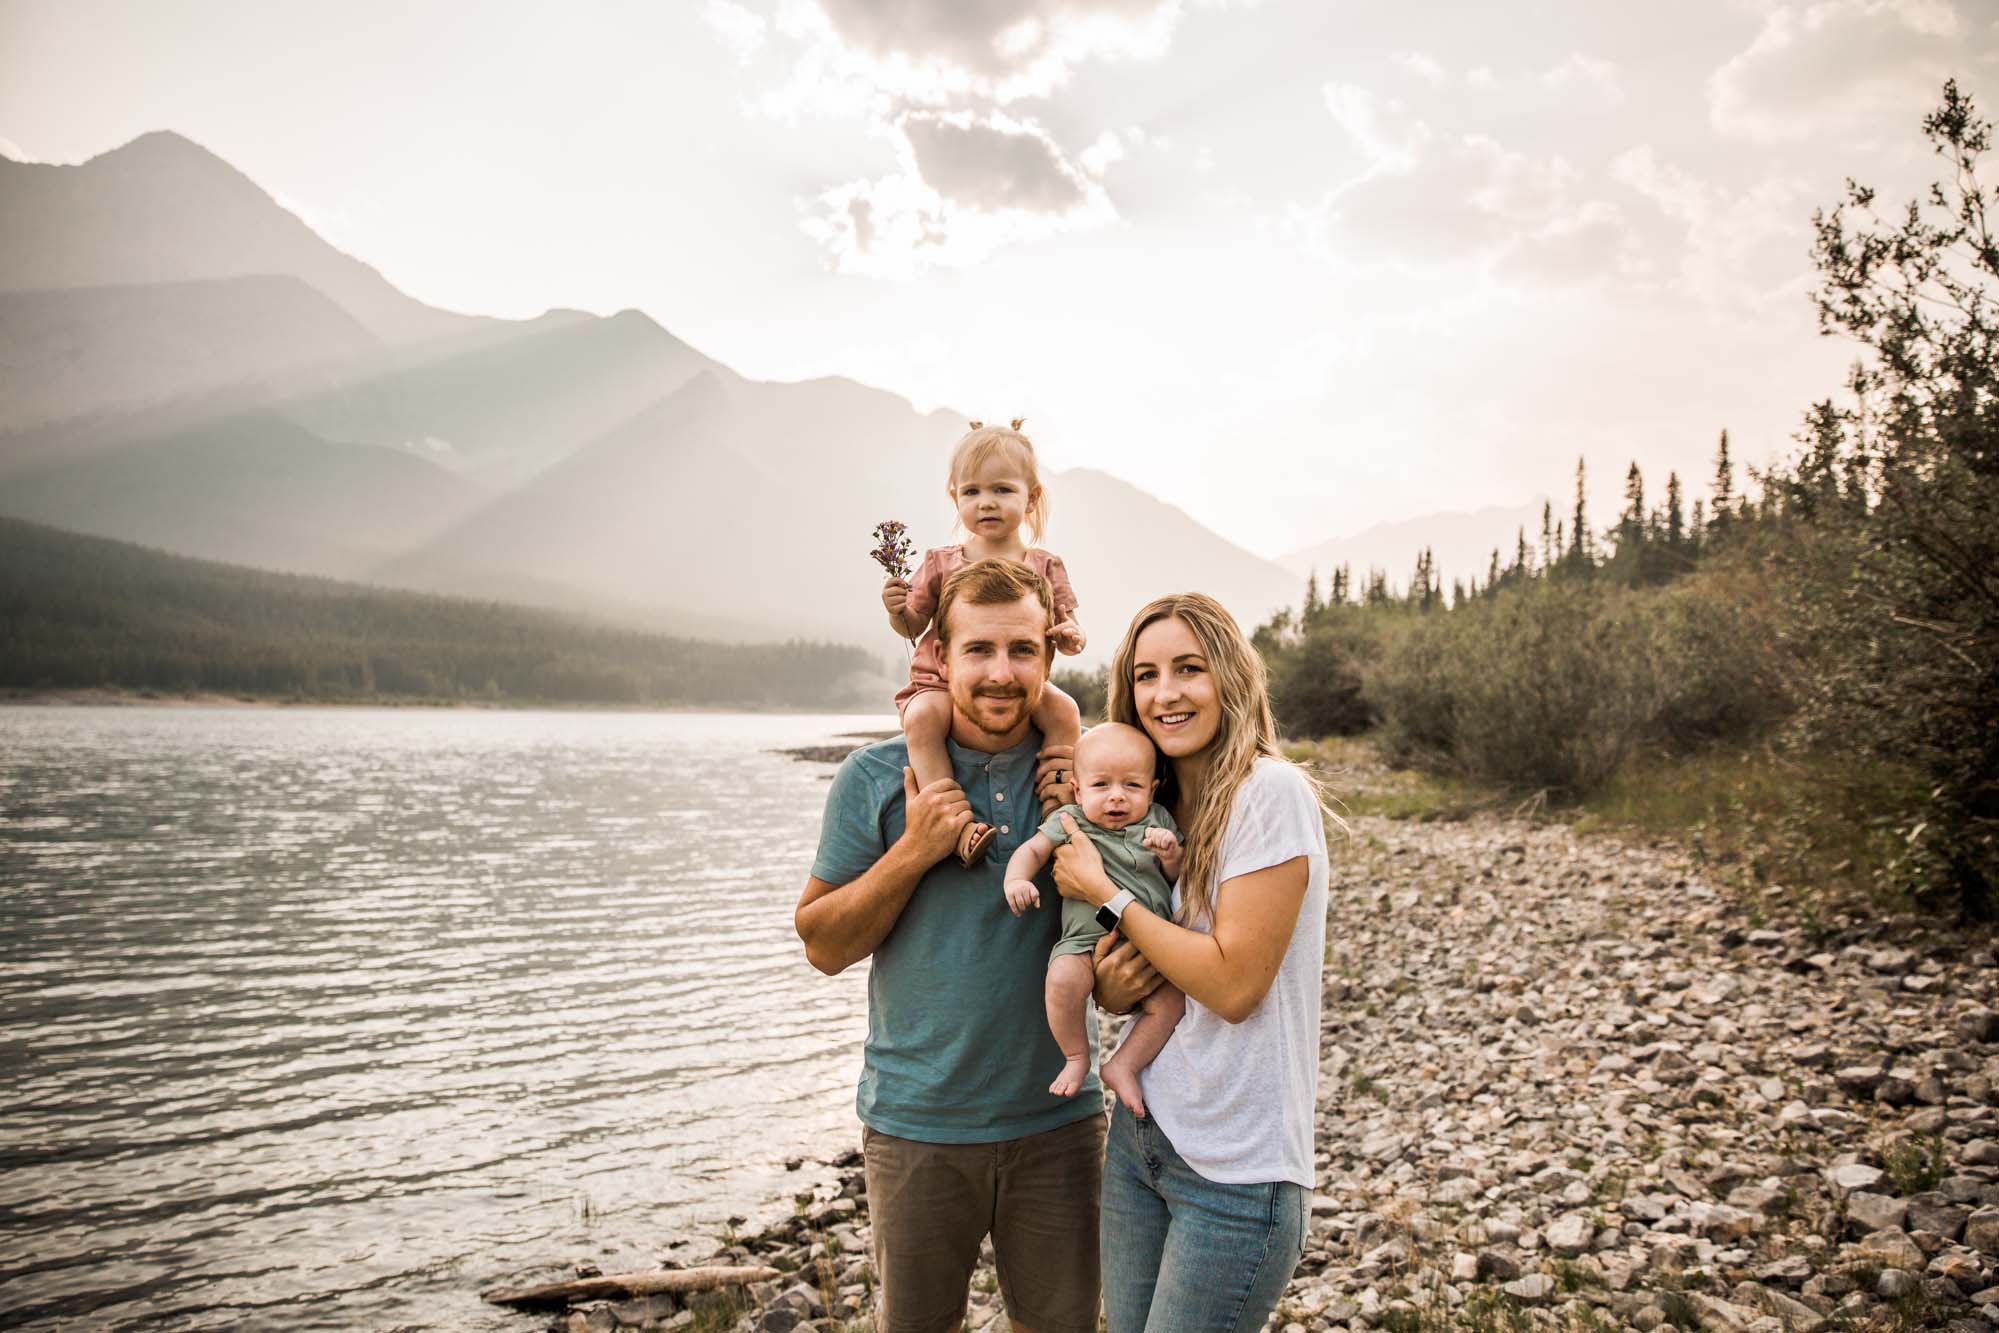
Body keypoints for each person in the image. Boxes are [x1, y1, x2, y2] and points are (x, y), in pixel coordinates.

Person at [797, 557, 1118, 1333]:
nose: (1001, 673)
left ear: (1049, 655)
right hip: (916, 1127)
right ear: (939, 654)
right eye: (978, 649)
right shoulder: (875, 776)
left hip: (1058, 1125)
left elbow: (1123, 928)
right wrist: (914, 848)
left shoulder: (1084, 780)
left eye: (1021, 651)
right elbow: (822, 945)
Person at [1050, 593, 1333, 1333]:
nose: (1165, 692)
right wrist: (1110, 985)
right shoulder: (1152, 807)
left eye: (1188, 668)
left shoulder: (1268, 793)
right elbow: (1152, 966)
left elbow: (1233, 986)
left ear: (1230, 676)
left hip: (1237, 1170)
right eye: (1145, 674)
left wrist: (1105, 895)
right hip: (1145, 1136)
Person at [881, 420, 1086, 867]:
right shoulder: (941, 562)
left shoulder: (1044, 564)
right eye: (971, 492)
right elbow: (914, 624)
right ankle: (952, 822)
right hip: (940, 683)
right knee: (924, 720)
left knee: (1065, 711)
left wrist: (1069, 638)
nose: (986, 503)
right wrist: (899, 610)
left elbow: (1068, 627)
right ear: (955, 498)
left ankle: (1058, 801)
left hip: (1017, 686)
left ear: (1030, 498)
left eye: (1002, 490)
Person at [1001, 722, 1186, 1113]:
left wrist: (1171, 855)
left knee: (1171, 1004)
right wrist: (1017, 878)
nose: (1116, 797)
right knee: (1063, 980)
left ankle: (1124, 1063)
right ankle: (1075, 1056)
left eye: (1131, 786)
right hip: (1085, 942)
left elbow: (1175, 880)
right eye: (1101, 786)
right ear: (1078, 790)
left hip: (1152, 944)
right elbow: (1033, 850)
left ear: (1152, 789)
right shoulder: (1072, 820)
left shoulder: (1157, 821)